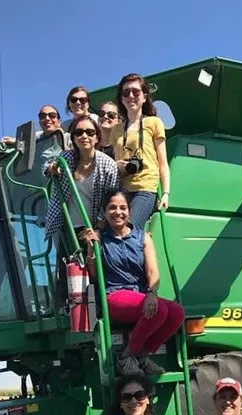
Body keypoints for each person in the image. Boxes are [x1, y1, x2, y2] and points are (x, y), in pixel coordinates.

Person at [79, 189, 185, 377]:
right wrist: (90, 248)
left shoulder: (143, 237)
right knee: (159, 310)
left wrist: (152, 294)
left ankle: (142, 357)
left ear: (129, 211)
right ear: (105, 211)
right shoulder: (100, 237)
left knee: (177, 312)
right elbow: (95, 276)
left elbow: (153, 271)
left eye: (122, 207)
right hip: (114, 295)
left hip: (142, 295)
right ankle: (126, 358)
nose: (117, 212)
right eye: (112, 207)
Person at [45, 116, 119, 247]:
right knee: (69, 266)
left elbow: (110, 200)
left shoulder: (108, 165)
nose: (84, 136)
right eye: (79, 132)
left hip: (95, 228)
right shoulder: (66, 158)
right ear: (73, 138)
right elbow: (47, 168)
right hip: (68, 228)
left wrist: (97, 231)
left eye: (90, 132)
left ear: (97, 137)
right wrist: (52, 168)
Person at [111, 73, 170, 229]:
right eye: (126, 93)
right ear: (121, 99)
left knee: (128, 228)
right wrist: (118, 164)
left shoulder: (154, 122)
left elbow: (163, 163)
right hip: (122, 190)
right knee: (116, 233)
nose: (131, 96)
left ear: (144, 97)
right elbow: (117, 161)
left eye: (136, 92)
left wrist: (165, 193)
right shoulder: (116, 130)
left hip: (145, 188)